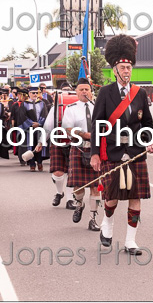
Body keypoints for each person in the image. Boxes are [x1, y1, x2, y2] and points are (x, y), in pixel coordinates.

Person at [90, 34, 153, 255]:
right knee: (111, 198)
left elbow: (147, 124)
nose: (127, 71)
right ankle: (107, 226)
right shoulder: (105, 92)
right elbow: (97, 125)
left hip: (136, 153)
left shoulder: (140, 94)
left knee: (135, 197)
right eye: (123, 67)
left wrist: (150, 141)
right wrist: (94, 154)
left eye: (129, 67)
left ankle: (130, 241)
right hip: (112, 152)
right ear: (115, 70)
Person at [61, 78, 102, 231]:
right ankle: (79, 204)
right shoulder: (71, 108)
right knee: (78, 186)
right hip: (78, 149)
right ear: (76, 92)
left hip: (95, 150)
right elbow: (68, 128)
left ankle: (93, 218)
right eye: (81, 90)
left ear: (91, 92)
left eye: (87, 89)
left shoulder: (98, 107)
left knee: (95, 187)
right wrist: (84, 134)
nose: (84, 92)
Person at [40, 81, 77, 210]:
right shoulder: (55, 107)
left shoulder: (79, 106)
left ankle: (70, 199)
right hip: (58, 139)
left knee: (72, 172)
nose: (66, 92)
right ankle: (59, 192)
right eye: (64, 90)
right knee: (58, 172)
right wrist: (41, 141)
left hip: (75, 141)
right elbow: (48, 125)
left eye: (68, 89)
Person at [17, 86, 48, 171]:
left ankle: (40, 162)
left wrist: (39, 123)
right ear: (29, 94)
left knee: (40, 145)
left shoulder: (42, 103)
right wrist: (30, 124)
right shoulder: (24, 104)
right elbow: (22, 116)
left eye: (36, 93)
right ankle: (32, 164)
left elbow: (45, 115)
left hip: (40, 128)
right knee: (30, 146)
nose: (35, 94)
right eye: (33, 93)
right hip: (29, 129)